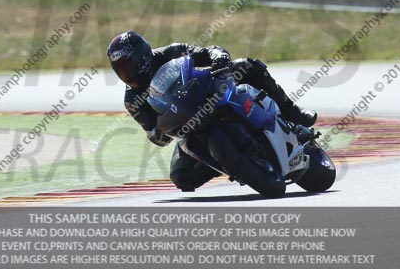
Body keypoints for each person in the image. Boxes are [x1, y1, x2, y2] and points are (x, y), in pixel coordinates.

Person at [106, 30, 317, 192]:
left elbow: (208, 51)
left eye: (128, 66)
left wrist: (219, 57)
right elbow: (155, 134)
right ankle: (229, 161)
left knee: (247, 66)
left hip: (210, 93)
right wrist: (159, 131)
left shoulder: (170, 52)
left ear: (142, 56)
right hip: (187, 123)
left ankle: (292, 112)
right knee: (182, 178)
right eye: (120, 70)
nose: (126, 73)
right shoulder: (133, 99)